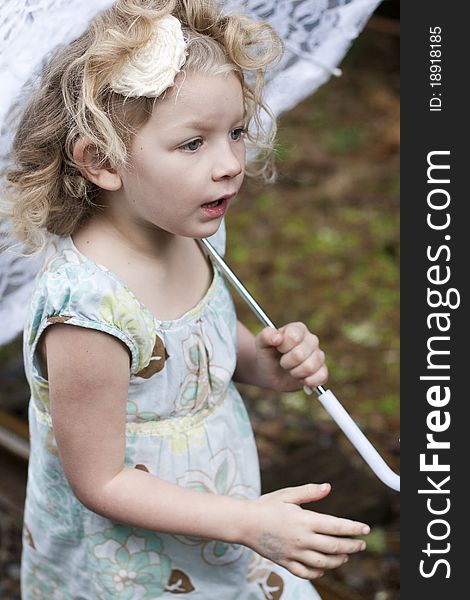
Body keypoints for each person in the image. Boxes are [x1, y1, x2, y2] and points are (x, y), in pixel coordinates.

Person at [4, 0, 370, 597]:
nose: (230, 165)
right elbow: (102, 481)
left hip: (219, 515)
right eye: (193, 144)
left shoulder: (196, 233)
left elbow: (200, 354)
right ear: (102, 160)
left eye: (235, 132)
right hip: (134, 564)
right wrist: (250, 522)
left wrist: (260, 363)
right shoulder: (89, 312)